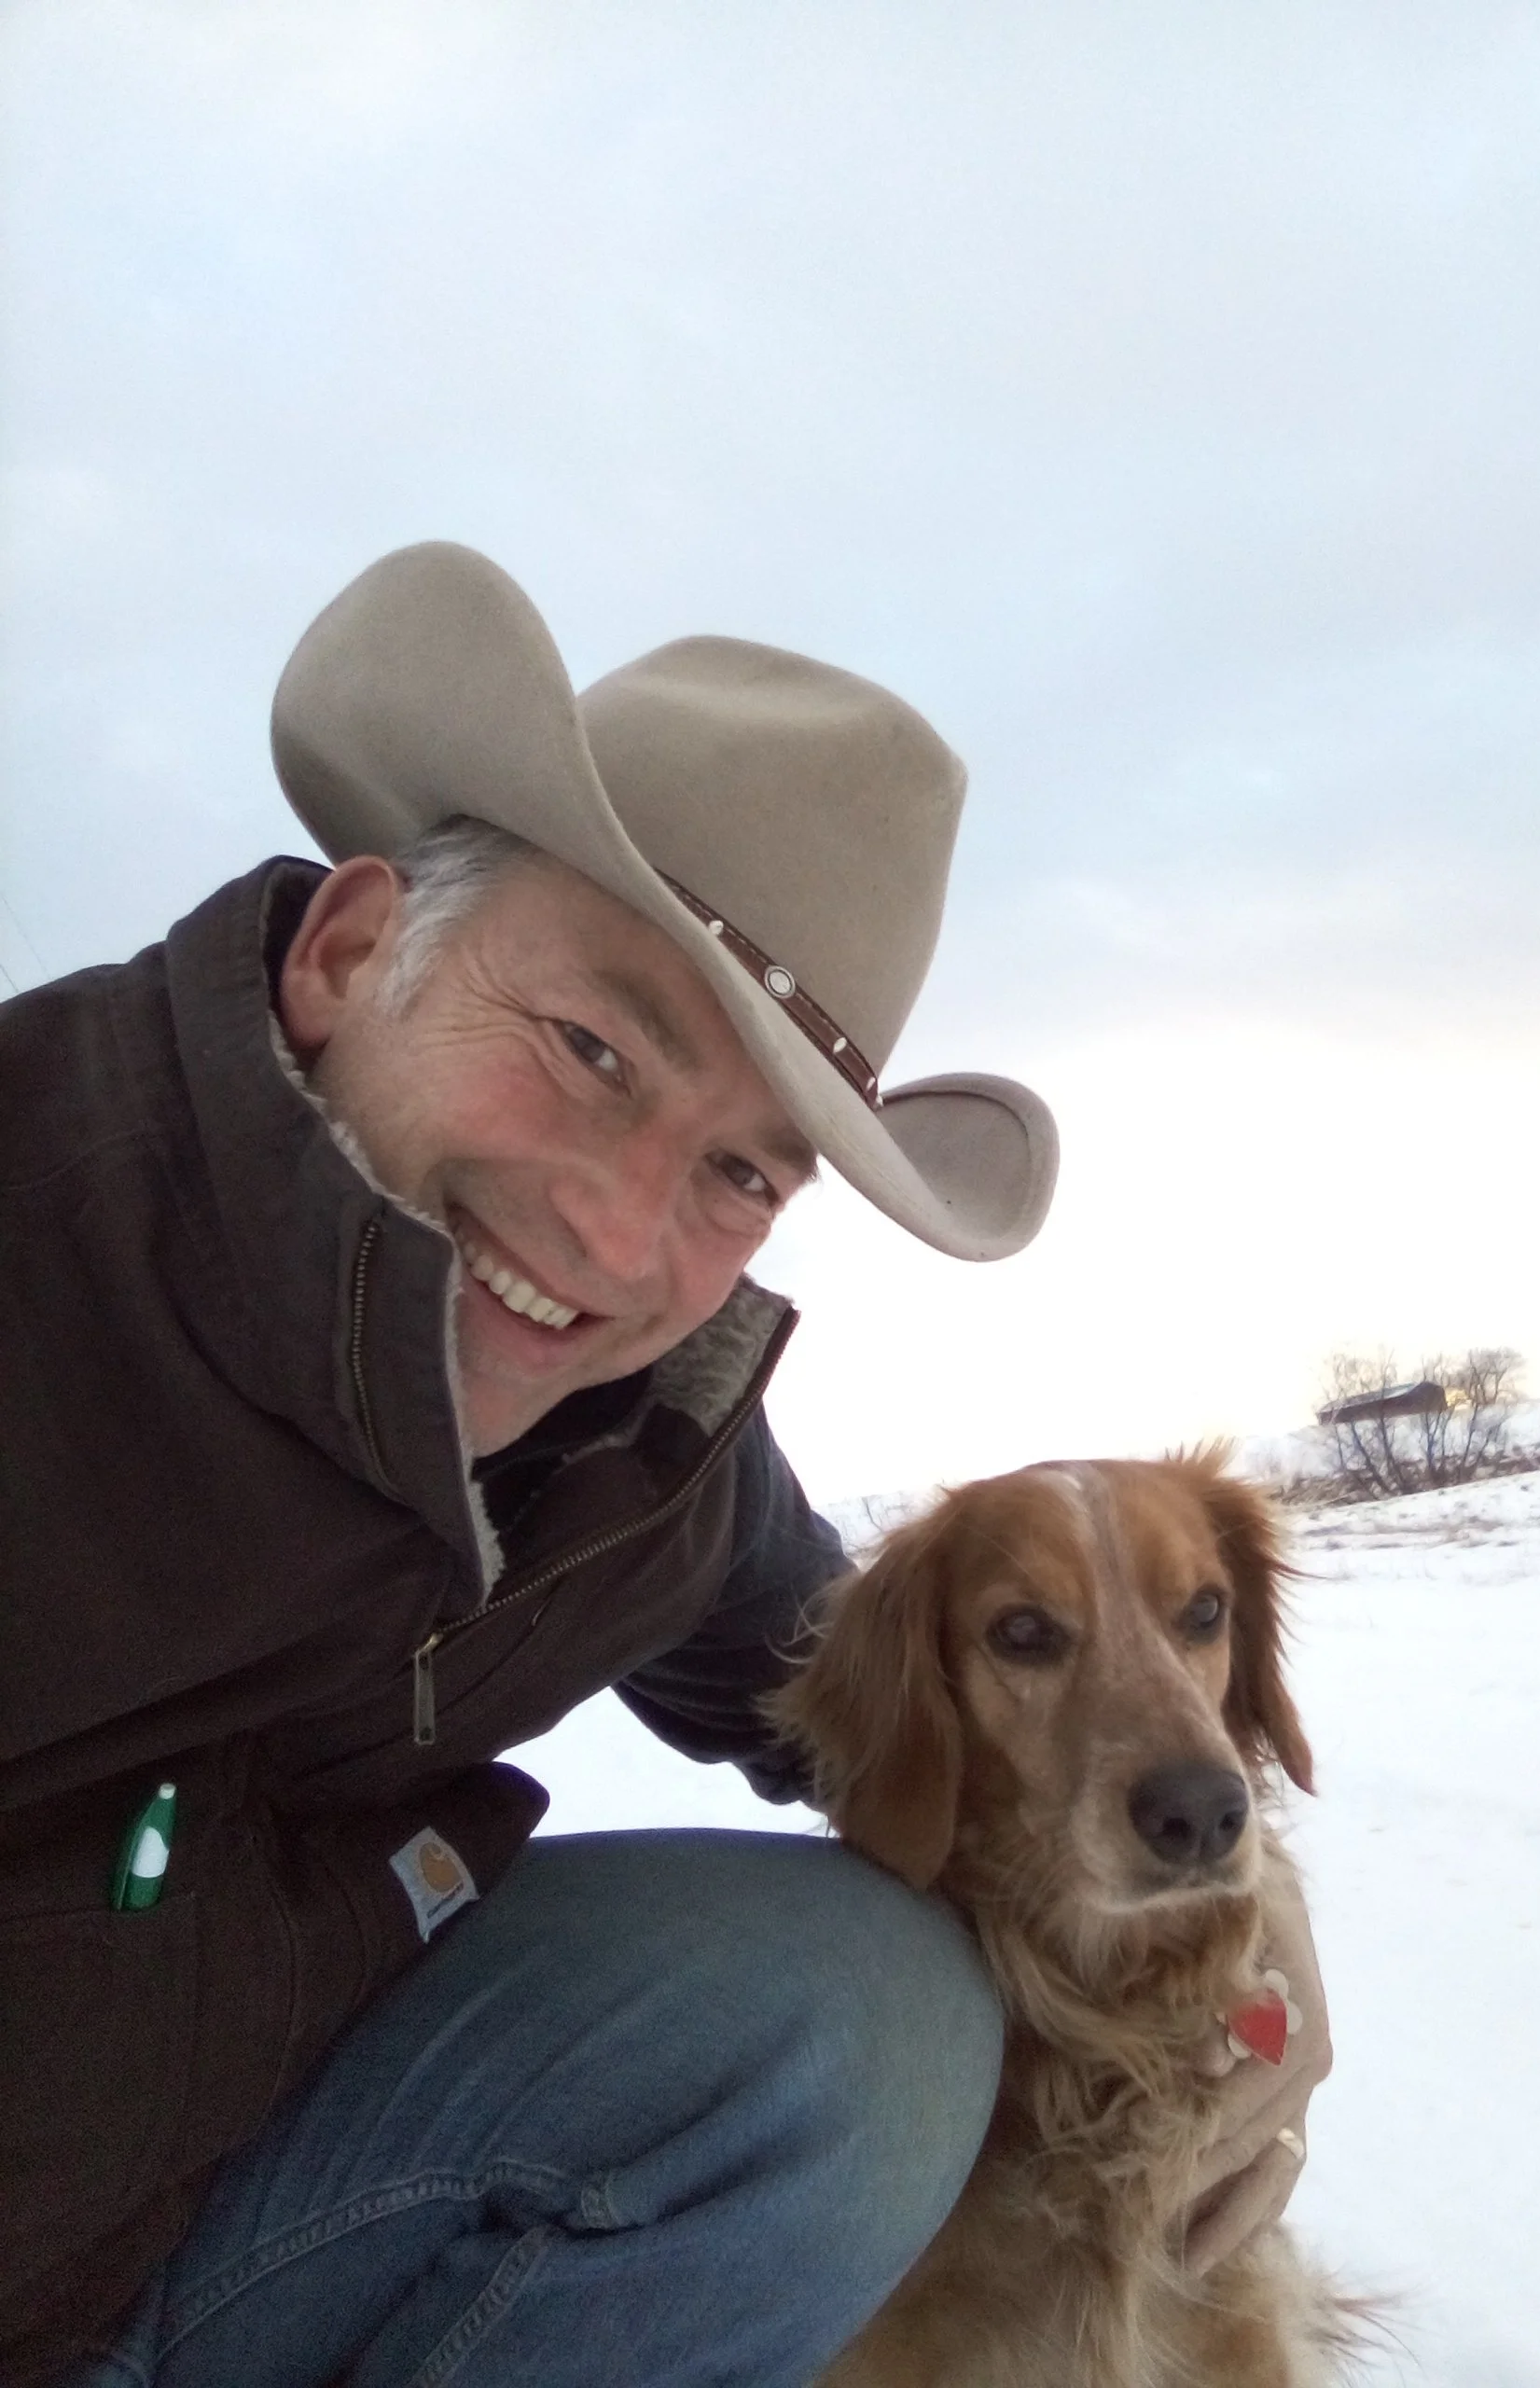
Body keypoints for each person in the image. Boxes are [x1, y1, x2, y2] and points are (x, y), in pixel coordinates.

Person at [0, 543, 1329, 2387]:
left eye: (742, 1171)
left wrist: (1249, 1937)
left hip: (236, 2187)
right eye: (593, 1044)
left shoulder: (649, 1445)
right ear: (353, 946)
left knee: (848, 2013)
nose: (625, 1238)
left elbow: (870, 1710)